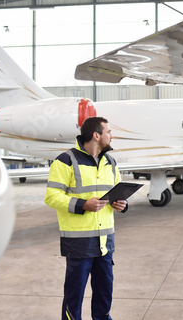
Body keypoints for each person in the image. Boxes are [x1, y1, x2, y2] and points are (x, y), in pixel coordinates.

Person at [45, 116, 127, 320]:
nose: (111, 136)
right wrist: (83, 204)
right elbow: (52, 197)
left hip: (105, 242)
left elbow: (119, 192)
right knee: (75, 295)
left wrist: (122, 204)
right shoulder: (66, 160)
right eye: (108, 131)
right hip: (78, 242)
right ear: (96, 135)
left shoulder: (110, 161)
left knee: (104, 292)